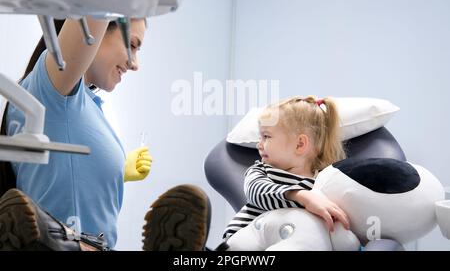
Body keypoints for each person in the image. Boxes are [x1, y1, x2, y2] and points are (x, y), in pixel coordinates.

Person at [0, 17, 151, 250]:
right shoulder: (53, 90)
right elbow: (95, 4)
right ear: (100, 31)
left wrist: (119, 171)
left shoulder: (84, 104)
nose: (135, 64)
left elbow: (65, 180)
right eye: (131, 44)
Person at [141, 96, 350, 251]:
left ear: (300, 144)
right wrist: (302, 196)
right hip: (241, 245)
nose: (259, 145)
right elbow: (257, 192)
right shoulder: (260, 171)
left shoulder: (324, 182)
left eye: (266, 136)